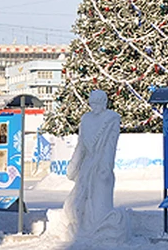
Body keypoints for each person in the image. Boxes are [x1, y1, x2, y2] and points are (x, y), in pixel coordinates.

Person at [62, 89, 124, 241]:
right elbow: (80, 146)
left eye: (98, 102)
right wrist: (73, 165)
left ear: (104, 103)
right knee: (80, 201)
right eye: (92, 103)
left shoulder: (112, 118)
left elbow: (111, 145)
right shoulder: (86, 119)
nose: (95, 106)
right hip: (87, 167)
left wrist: (106, 166)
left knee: (100, 206)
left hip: (102, 166)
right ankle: (85, 232)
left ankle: (104, 233)